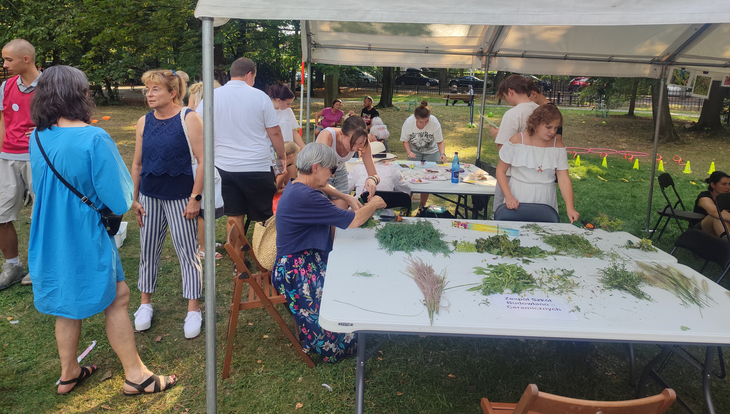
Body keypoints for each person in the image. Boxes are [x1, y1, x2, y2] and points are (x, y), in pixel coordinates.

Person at [28, 65, 176, 396]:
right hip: (83, 232)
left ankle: (69, 373)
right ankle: (136, 375)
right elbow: (120, 198)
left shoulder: (37, 137)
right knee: (119, 297)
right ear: (79, 95)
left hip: (48, 232)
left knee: (65, 303)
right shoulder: (93, 137)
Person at [272, 142, 386, 363]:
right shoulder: (307, 196)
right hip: (296, 271)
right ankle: (330, 344)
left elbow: (323, 187)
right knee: (337, 337)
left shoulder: (298, 185)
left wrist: (346, 197)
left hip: (299, 260)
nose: (332, 175)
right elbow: (354, 221)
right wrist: (374, 205)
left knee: (345, 278)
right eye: (331, 170)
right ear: (315, 168)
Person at [131, 69, 205, 339]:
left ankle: (193, 309)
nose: (149, 95)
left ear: (173, 93)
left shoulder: (189, 118)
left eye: (155, 90)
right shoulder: (143, 122)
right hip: (149, 196)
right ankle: (145, 304)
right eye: (147, 90)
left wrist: (195, 198)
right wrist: (134, 198)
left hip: (181, 198)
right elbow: (137, 163)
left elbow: (203, 160)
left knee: (187, 253)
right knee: (148, 251)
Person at [195, 57, 285, 237]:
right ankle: (264, 254)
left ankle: (238, 260)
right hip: (257, 165)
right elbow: (274, 132)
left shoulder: (212, 96)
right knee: (264, 217)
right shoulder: (260, 96)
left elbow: (198, 126)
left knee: (234, 215)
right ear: (249, 74)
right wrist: (281, 155)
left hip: (224, 166)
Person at [0, 39, 40, 289]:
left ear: (26, 59)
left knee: (44, 215)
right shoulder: (5, 86)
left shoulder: (50, 86)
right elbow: (3, 120)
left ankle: (39, 266)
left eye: (8, 60)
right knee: (1, 214)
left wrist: (46, 129)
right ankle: (12, 265)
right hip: (7, 158)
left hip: (40, 158)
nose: (5, 65)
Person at [495, 104, 579, 223]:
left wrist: (570, 207)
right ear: (535, 124)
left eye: (556, 128)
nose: (552, 132)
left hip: (545, 196)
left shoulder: (558, 145)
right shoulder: (517, 140)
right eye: (548, 127)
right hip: (518, 194)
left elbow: (563, 177)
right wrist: (508, 196)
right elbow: (500, 170)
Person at [489, 75, 539, 212]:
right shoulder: (539, 110)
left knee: (503, 212)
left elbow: (503, 151)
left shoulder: (513, 114)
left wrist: (496, 134)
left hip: (511, 174)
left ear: (510, 91)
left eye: (505, 96)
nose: (506, 100)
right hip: (535, 172)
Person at [187, 79, 223, 259]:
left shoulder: (200, 113)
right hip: (201, 165)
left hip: (207, 162)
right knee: (203, 211)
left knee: (208, 208)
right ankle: (202, 248)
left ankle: (205, 241)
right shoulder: (201, 116)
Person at [316, 116, 379, 209]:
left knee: (340, 215)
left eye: (360, 144)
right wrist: (346, 197)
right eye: (352, 143)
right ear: (341, 134)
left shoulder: (364, 142)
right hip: (320, 175)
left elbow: (374, 174)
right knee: (322, 210)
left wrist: (372, 179)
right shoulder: (328, 136)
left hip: (340, 172)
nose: (355, 148)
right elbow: (318, 180)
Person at [399, 100, 445, 208]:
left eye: (426, 121)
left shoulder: (434, 122)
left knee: (427, 179)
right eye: (421, 122)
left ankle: (422, 206)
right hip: (414, 152)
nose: (424, 124)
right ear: (416, 119)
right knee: (410, 176)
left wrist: (442, 153)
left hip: (432, 152)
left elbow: (440, 141)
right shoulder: (408, 123)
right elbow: (405, 140)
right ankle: (406, 204)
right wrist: (409, 152)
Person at [267, 83, 306, 148]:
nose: (289, 106)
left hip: (288, 151)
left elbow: (294, 132)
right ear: (279, 100)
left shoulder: (288, 110)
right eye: (288, 103)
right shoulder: (266, 111)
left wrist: (305, 148)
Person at [694, 171, 730, 238]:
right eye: (724, 184)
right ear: (713, 185)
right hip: (699, 232)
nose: (728, 187)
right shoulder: (704, 196)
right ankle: (727, 241)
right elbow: (714, 211)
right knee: (716, 217)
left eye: (729, 184)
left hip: (719, 231)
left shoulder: (727, 198)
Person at [272, 141, 301, 214]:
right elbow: (275, 191)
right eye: (296, 156)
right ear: (291, 156)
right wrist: (288, 188)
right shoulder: (283, 171)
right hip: (273, 201)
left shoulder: (277, 164)